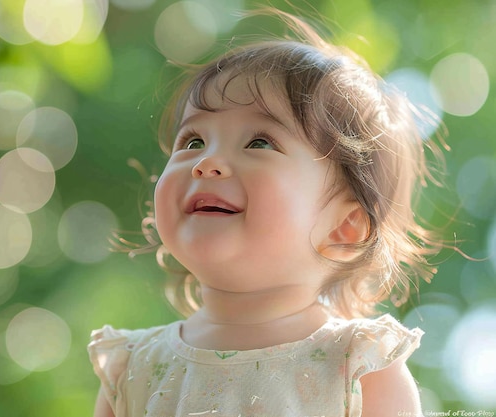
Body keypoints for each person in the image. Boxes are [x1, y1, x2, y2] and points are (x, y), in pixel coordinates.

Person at [89, 6, 446, 417]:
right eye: (192, 141)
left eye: (259, 142)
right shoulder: (132, 370)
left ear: (345, 226)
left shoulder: (358, 368)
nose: (206, 162)